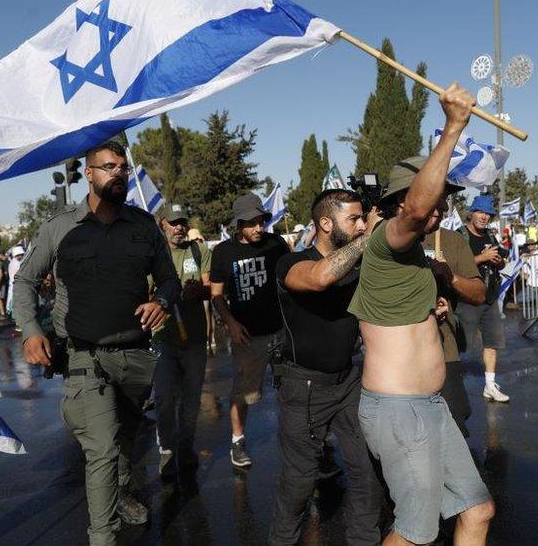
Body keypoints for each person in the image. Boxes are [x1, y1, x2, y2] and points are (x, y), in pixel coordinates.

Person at [13, 140, 180, 545]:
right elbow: (24, 280)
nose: (117, 173)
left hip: (136, 355)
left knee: (124, 439)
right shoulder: (60, 227)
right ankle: (102, 537)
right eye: (108, 167)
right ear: (89, 174)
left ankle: (121, 493)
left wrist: (161, 301)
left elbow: (171, 280)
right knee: (102, 449)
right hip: (85, 357)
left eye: (122, 167)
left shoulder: (143, 226)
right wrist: (32, 330)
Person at [349, 83, 494, 546]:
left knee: (478, 508)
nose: (438, 211)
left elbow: (472, 294)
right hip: (398, 411)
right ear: (399, 204)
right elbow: (415, 210)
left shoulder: (420, 262)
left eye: (443, 203)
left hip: (431, 406)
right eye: (433, 202)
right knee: (414, 532)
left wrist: (441, 292)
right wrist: (453, 127)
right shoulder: (385, 242)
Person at [269, 189, 384, 545]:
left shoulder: (355, 263)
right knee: (300, 483)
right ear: (324, 223)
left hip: (348, 380)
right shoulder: (292, 263)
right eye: (354, 219)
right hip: (303, 385)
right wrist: (365, 240)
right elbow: (320, 278)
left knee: (366, 472)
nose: (362, 224)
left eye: (363, 218)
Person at [209, 193, 290, 467]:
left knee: (292, 389)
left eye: (261, 221)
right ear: (238, 224)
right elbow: (217, 295)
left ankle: (304, 441)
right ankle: (237, 441)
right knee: (244, 393)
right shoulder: (222, 252)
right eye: (251, 223)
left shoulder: (276, 243)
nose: (259, 228)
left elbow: (292, 276)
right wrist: (230, 323)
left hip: (281, 331)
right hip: (247, 337)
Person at [152, 206, 212, 478]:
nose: (179, 228)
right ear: (162, 224)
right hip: (163, 338)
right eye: (173, 223)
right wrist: (163, 294)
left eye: (182, 223)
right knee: (165, 399)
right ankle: (166, 449)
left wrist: (198, 290)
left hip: (195, 338)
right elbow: (142, 294)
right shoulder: (154, 256)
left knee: (191, 399)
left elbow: (212, 287)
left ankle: (186, 445)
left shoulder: (200, 251)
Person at [424, 225, 485, 438]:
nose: (441, 207)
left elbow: (478, 294)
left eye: (444, 201)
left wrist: (451, 278)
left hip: (444, 349)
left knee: (453, 419)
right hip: (399, 354)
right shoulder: (388, 236)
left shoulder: (452, 240)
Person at [458, 195, 511, 403]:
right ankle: (451, 384)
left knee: (492, 342)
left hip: (489, 297)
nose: (484, 217)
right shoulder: (460, 236)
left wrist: (498, 262)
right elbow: (455, 266)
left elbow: (501, 263)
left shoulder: (490, 236)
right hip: (467, 298)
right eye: (480, 212)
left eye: (488, 214)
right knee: (461, 344)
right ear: (471, 213)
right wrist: (482, 258)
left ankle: (490, 385)